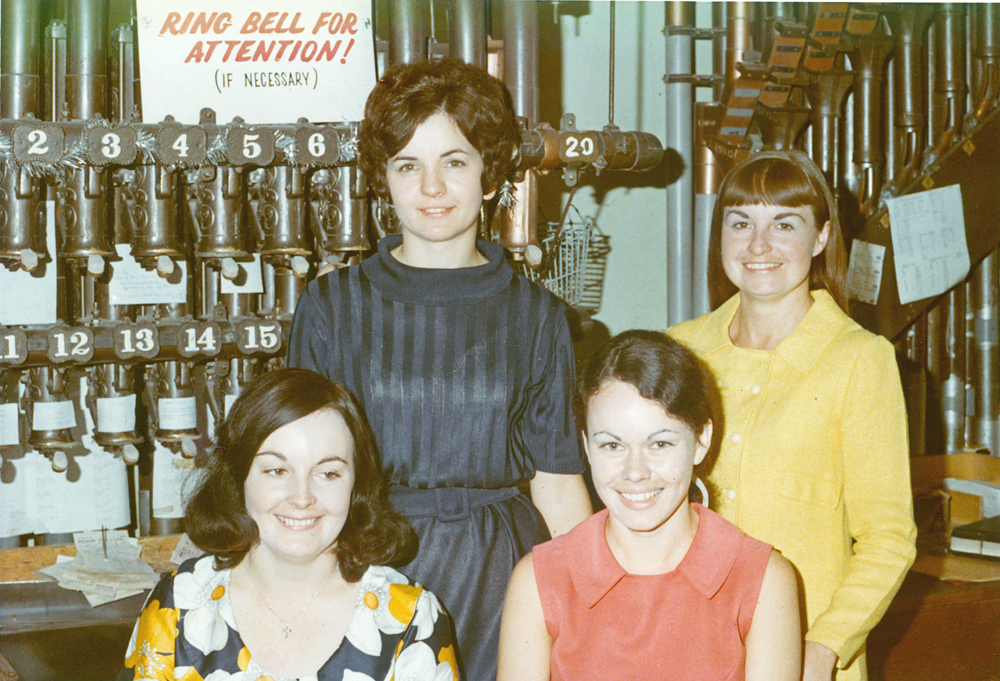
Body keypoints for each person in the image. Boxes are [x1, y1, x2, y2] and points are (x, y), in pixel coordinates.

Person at [287, 57, 592, 680]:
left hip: (500, 574)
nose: (432, 189)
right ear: (384, 179)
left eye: (454, 162)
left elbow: (557, 483)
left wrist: (598, 605)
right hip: (368, 562)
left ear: (488, 176)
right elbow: (300, 476)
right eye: (408, 166)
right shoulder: (331, 306)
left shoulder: (537, 316)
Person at [670, 150, 917, 681]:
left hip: (804, 659)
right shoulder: (680, 351)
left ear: (822, 237)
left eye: (785, 224)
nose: (759, 245)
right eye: (741, 223)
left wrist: (823, 647)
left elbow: (888, 536)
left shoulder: (860, 360)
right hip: (686, 647)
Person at [498, 330, 801, 681]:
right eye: (612, 446)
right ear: (586, 445)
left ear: (701, 440)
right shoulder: (539, 579)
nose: (635, 472)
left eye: (659, 444)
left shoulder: (763, 579)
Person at [119, 368, 458, 681]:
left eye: (328, 473)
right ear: (239, 480)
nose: (302, 497)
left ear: (357, 485)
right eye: (277, 471)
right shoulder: (178, 605)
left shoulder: (409, 619)